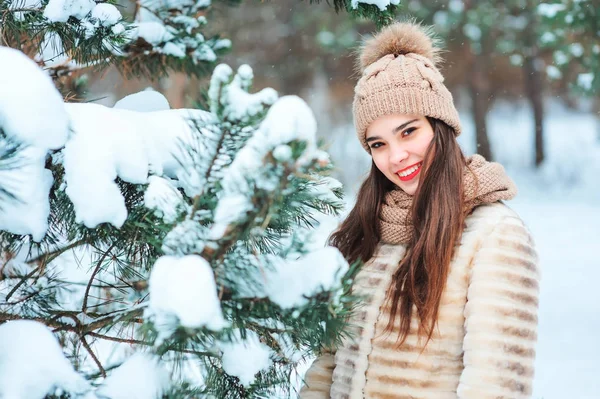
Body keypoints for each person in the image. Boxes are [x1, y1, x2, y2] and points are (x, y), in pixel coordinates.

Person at [299, 21, 540, 399]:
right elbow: (327, 367)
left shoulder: (495, 236)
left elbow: (495, 387)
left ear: (440, 126)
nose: (396, 156)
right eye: (378, 144)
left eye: (408, 131)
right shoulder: (369, 231)